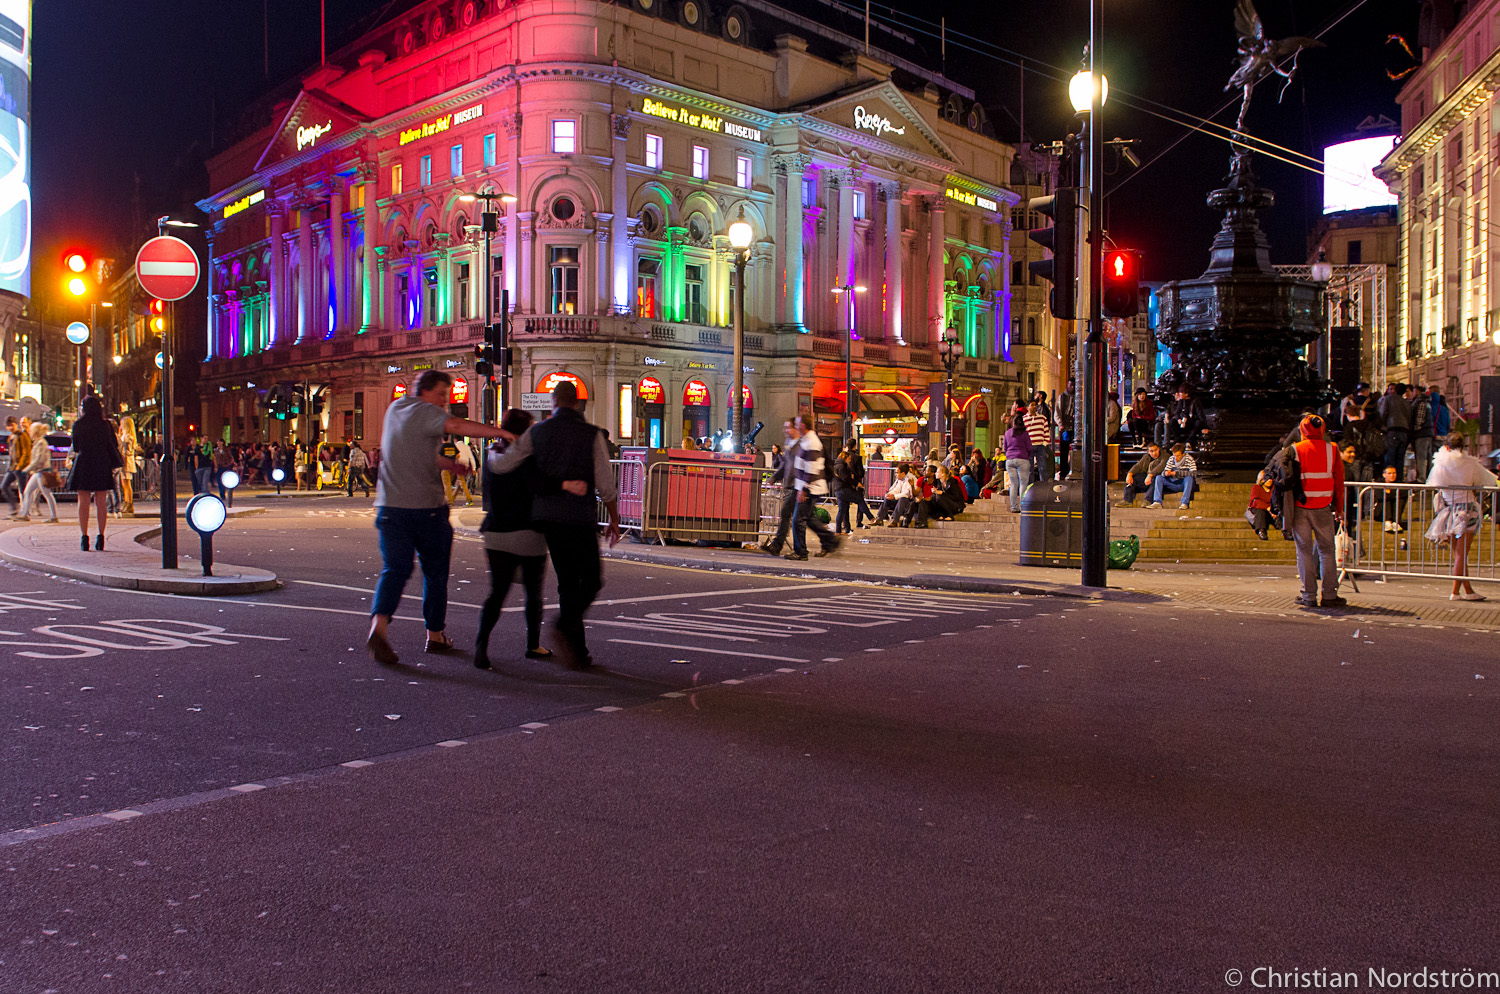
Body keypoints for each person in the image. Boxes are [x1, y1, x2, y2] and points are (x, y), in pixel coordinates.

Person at [365, 370, 510, 667]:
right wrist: (501, 432)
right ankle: (435, 634)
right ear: (425, 390)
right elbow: (456, 424)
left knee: (394, 569)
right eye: (442, 393)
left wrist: (452, 466)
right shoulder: (427, 411)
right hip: (427, 509)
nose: (444, 400)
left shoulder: (395, 409)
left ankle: (378, 627)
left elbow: (421, 454)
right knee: (435, 572)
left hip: (390, 508)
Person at [488, 380, 620, 669]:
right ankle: (565, 628)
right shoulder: (591, 434)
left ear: (554, 402)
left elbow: (505, 463)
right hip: (579, 516)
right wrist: (614, 516)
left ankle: (577, 649)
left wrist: (492, 452)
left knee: (567, 582)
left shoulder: (537, 432)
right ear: (578, 403)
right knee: (592, 580)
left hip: (547, 517)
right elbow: (604, 481)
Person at [473, 409, 553, 669]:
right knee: (533, 592)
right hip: (527, 532)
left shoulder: (491, 457)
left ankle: (481, 646)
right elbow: (542, 489)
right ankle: (533, 645)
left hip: (495, 532)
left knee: (497, 593)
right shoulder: (528, 459)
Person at [1424, 433, 1498, 601]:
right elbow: (1486, 481)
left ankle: (1466, 590)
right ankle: (1456, 592)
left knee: (1459, 554)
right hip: (1467, 512)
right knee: (1461, 555)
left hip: (1448, 513)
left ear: (1447, 447)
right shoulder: (1470, 463)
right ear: (1463, 446)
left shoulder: (1439, 465)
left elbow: (1433, 484)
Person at [1283, 414, 1346, 609]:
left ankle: (1308, 595)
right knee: (1327, 551)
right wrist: (1340, 508)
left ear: (1302, 430)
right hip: (1323, 507)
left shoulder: (1295, 449)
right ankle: (1329, 595)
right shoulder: (1332, 449)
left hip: (1300, 507)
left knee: (1304, 551)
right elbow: (1339, 481)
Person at [67, 396, 122, 552]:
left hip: (84, 462)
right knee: (101, 501)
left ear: (84, 408)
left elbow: (76, 446)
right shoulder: (105, 425)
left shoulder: (78, 425)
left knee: (83, 500)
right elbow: (113, 444)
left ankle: (84, 538)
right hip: (101, 462)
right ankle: (101, 536)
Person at [785, 416, 838, 561]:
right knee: (808, 519)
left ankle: (801, 552)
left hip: (809, 487)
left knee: (798, 520)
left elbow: (812, 468)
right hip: (807, 486)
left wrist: (804, 489)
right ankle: (830, 541)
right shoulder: (806, 440)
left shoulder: (812, 442)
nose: (796, 427)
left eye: (797, 424)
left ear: (803, 425)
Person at [760, 421, 799, 556]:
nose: (784, 430)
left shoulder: (801, 444)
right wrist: (775, 477)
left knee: (797, 517)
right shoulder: (790, 443)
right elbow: (786, 465)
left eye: (788, 428)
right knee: (791, 515)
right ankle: (778, 546)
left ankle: (800, 550)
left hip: (799, 486)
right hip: (793, 485)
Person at [15, 422, 58, 523]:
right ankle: (25, 514)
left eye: (31, 430)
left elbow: (38, 460)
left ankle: (54, 516)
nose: (29, 432)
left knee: (47, 494)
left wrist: (27, 469)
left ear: (35, 432)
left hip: (41, 472)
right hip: (38, 472)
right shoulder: (39, 442)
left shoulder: (41, 443)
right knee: (28, 492)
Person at [1145, 443, 1196, 510]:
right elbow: (1164, 471)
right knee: (1159, 478)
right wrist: (1166, 473)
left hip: (1183, 483)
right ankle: (1157, 502)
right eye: (1174, 455)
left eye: (1178, 456)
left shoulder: (1189, 459)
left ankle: (1185, 503)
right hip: (1173, 482)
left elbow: (1194, 474)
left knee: (1189, 478)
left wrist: (1177, 473)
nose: (1176, 458)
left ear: (1183, 454)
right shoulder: (1171, 459)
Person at [1116, 442, 1167, 508]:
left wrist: (1150, 475)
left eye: (1155, 450)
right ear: (1148, 452)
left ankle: (1148, 500)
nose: (1154, 453)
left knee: (1156, 479)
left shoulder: (1165, 456)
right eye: (1151, 451)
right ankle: (1127, 500)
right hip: (1146, 478)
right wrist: (1129, 474)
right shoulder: (1146, 457)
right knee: (1133, 478)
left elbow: (1161, 466)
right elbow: (1138, 465)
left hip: (1157, 479)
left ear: (1158, 449)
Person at [1378, 383, 1412, 475]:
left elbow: (1382, 413)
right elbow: (1409, 418)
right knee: (1400, 458)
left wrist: (1382, 427)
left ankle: (1390, 478)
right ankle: (1399, 479)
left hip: (1392, 430)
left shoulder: (1388, 399)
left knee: (1390, 457)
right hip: (1404, 432)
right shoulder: (1407, 403)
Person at [1001, 414, 1033, 512]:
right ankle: (1023, 507)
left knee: (1013, 484)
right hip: (1022, 459)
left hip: (1010, 460)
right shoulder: (1024, 434)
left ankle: (1014, 507)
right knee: (1023, 483)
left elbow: (1005, 447)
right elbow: (1029, 447)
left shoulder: (1007, 433)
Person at [1165, 386, 1205, 450]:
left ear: (1186, 394)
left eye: (1181, 393)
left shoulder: (1195, 401)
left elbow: (1200, 414)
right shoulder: (1181, 401)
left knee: (1198, 423)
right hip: (1182, 422)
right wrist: (1178, 419)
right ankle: (1178, 441)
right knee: (1172, 422)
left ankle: (1189, 442)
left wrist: (1205, 426)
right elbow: (1177, 412)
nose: (1179, 394)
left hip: (1191, 422)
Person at [1023, 397, 1053, 482]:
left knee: (1043, 468)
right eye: (1032, 405)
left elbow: (1046, 431)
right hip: (1029, 446)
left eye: (1035, 405)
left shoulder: (1042, 418)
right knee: (1030, 468)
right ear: (1027, 407)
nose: (1034, 406)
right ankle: (1031, 486)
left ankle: (1043, 486)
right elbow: (1023, 433)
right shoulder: (1024, 419)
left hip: (1040, 445)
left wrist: (1044, 443)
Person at [832, 444, 859, 534]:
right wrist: (854, 482)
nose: (850, 460)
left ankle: (843, 529)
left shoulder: (839, 465)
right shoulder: (841, 466)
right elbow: (845, 478)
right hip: (842, 489)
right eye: (849, 459)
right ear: (845, 458)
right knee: (843, 510)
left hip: (841, 489)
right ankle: (839, 530)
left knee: (844, 510)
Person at [1246, 469, 1276, 541]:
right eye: (1267, 479)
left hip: (1271, 512)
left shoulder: (1274, 489)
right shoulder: (1256, 488)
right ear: (1262, 480)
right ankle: (1261, 531)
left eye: (1271, 478)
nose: (1270, 480)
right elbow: (1256, 502)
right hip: (1260, 511)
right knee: (1260, 511)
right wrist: (1267, 508)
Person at [117, 417, 138, 514]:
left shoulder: (128, 437)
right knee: (124, 483)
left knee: (126, 484)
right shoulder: (125, 436)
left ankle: (129, 503)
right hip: (125, 461)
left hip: (126, 462)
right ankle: (127, 502)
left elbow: (127, 451)